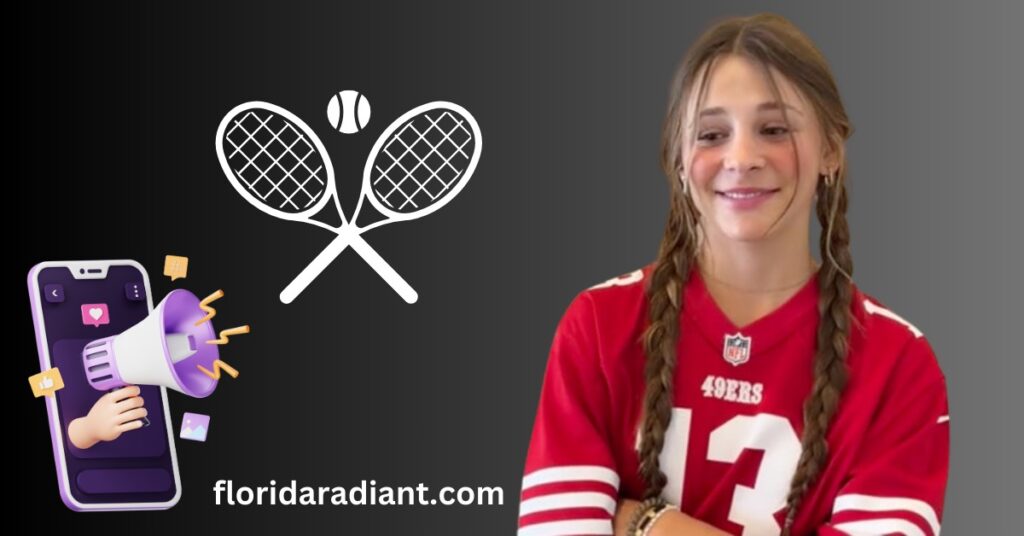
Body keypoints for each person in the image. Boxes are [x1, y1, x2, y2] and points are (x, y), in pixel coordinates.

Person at [517, 13, 949, 536]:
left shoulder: (899, 364)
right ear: (679, 157)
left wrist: (643, 521)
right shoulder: (598, 326)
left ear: (831, 150)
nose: (741, 158)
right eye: (711, 133)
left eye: (773, 129)